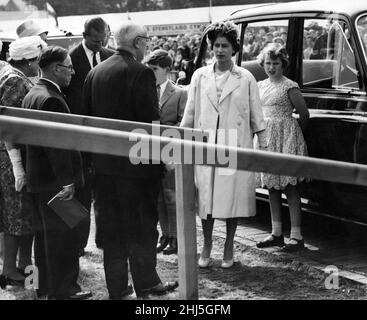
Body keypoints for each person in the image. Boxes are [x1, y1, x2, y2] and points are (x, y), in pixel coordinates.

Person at [83, 21, 178, 299]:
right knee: (142, 229)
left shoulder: (95, 73)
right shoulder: (142, 73)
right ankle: (147, 283)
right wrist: (160, 163)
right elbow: (152, 125)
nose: (148, 45)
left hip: (103, 169)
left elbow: (86, 120)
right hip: (137, 170)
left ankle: (118, 288)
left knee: (111, 231)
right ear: (137, 42)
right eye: (146, 41)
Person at [180, 21, 267, 269]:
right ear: (211, 48)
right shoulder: (199, 75)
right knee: (205, 198)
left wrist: (263, 150)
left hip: (233, 144)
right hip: (206, 145)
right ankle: (207, 244)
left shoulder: (246, 77)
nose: (219, 50)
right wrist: (180, 143)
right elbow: (189, 114)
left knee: (231, 198)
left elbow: (257, 118)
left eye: (225, 45)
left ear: (234, 48)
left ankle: (229, 245)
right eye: (216, 45)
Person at [22, 46, 92, 300]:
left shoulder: (33, 93)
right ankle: (64, 291)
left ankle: (45, 287)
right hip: (55, 181)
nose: (73, 72)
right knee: (62, 238)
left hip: (39, 179)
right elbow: (57, 146)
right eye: (69, 67)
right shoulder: (50, 98)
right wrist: (67, 182)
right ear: (55, 69)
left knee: (44, 238)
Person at [64, 17, 114, 253]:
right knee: (82, 193)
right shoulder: (70, 59)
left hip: (104, 136)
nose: (99, 44)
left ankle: (103, 238)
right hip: (80, 136)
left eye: (102, 40)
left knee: (104, 191)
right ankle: (79, 243)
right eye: (95, 41)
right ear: (85, 35)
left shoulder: (111, 56)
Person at [0, 36, 46, 289]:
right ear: (29, 61)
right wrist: (18, 165)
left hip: (9, 155)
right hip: (10, 156)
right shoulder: (16, 81)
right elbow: (9, 127)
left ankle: (20, 266)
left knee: (18, 215)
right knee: (18, 215)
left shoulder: (10, 74)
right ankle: (11, 270)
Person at [255, 43, 309, 252]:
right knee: (271, 185)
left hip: (286, 136)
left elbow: (304, 114)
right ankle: (276, 232)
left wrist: (294, 137)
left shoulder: (289, 85)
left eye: (275, 63)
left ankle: (296, 236)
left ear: (282, 64)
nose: (271, 67)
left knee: (290, 186)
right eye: (268, 63)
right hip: (268, 137)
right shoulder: (260, 85)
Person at [144, 49, 188, 256]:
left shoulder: (179, 92)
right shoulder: (146, 90)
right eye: (149, 69)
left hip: (171, 148)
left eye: (154, 69)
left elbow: (183, 122)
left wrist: (167, 136)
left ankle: (176, 237)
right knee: (159, 195)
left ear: (167, 70)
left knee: (171, 195)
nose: (151, 73)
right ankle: (165, 234)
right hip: (150, 147)